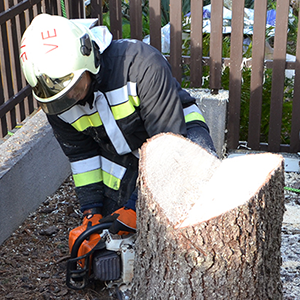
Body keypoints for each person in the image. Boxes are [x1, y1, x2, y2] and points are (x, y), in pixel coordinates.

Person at [20, 14, 217, 259]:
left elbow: (168, 146)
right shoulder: (57, 98)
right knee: (112, 233)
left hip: (177, 137)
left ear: (88, 59)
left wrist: (136, 206)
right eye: (61, 95)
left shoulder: (141, 65)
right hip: (121, 148)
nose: (69, 99)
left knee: (188, 199)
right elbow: (82, 155)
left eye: (72, 89)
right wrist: (91, 213)